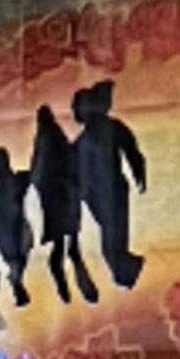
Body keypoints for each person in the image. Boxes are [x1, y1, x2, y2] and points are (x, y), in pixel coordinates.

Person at [71, 78, 150, 291]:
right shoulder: (83, 140)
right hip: (97, 194)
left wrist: (139, 173)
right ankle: (127, 273)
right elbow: (72, 169)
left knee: (113, 242)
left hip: (113, 191)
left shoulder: (112, 129)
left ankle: (127, 274)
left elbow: (132, 151)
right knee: (111, 242)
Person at [28, 99, 97, 307]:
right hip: (63, 196)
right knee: (69, 242)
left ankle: (66, 275)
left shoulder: (45, 140)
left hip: (60, 196)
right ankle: (67, 274)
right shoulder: (53, 138)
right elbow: (59, 165)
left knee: (64, 242)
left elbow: (37, 172)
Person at [0, 140, 37, 307]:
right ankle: (17, 286)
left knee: (17, 261)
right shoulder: (3, 191)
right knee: (17, 261)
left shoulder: (0, 193)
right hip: (12, 234)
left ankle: (17, 285)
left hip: (14, 233)